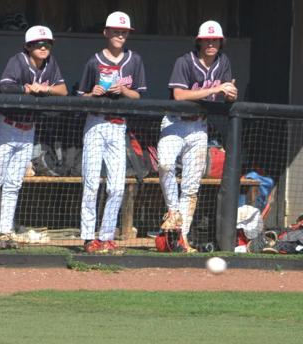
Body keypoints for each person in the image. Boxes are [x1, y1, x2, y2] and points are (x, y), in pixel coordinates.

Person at [0, 25, 67, 250]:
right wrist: (27, 90)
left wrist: (43, 89)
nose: (44, 47)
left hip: (28, 130)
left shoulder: (50, 63)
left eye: (47, 43)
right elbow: (5, 86)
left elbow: (63, 90)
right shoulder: (18, 61)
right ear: (28, 46)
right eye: (39, 44)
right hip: (6, 126)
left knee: (13, 184)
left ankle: (5, 231)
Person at [157, 20, 237, 252]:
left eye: (215, 40)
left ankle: (182, 239)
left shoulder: (224, 62)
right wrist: (216, 89)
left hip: (199, 126)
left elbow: (227, 96)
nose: (211, 43)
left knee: (192, 186)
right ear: (199, 41)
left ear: (221, 42)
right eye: (207, 40)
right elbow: (179, 94)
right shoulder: (184, 61)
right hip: (175, 121)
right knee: (165, 165)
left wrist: (230, 93)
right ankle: (173, 211)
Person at [77, 11, 146, 254]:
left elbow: (139, 95)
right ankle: (88, 237)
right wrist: (92, 93)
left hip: (118, 126)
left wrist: (123, 90)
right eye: (115, 31)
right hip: (95, 124)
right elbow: (79, 96)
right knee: (91, 184)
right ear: (106, 32)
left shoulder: (134, 60)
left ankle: (106, 236)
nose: (119, 35)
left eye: (123, 32)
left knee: (117, 186)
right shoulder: (93, 61)